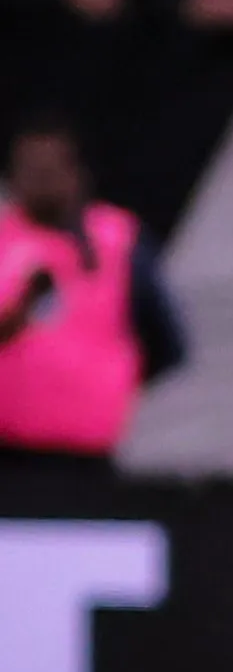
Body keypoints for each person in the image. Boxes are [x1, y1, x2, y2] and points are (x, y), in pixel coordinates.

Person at [0, 115, 185, 470]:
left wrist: (107, 381)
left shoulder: (120, 241)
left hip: (87, 457)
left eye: (50, 170)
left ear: (77, 173)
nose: (40, 182)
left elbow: (167, 343)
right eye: (30, 170)